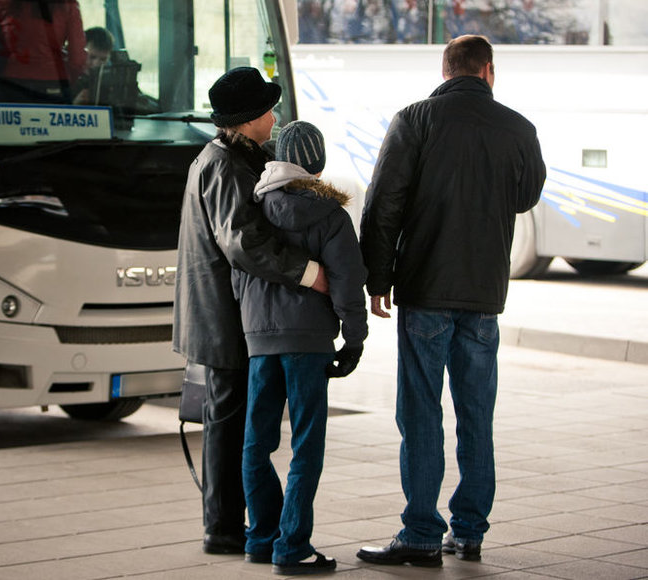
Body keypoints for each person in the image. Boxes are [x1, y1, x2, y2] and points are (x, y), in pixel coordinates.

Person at [355, 35, 545, 566]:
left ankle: (419, 533)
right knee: (475, 413)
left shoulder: (414, 120)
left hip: (426, 289)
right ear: (488, 71)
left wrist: (378, 278)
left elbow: (383, 204)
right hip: (484, 295)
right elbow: (527, 195)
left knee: (420, 412)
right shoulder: (519, 127)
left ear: (445, 72)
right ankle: (469, 532)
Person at [173, 67, 328, 556]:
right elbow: (243, 242)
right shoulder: (222, 165)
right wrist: (308, 273)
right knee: (227, 425)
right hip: (221, 317)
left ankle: (230, 523)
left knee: (234, 422)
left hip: (227, 314)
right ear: (247, 121)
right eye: (266, 111)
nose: (275, 117)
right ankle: (221, 528)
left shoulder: (229, 157)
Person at [233, 120, 367, 575]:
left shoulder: (252, 208)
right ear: (316, 162)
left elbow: (238, 268)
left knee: (257, 441)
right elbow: (349, 280)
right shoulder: (329, 214)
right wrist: (354, 338)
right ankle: (292, 546)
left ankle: (260, 537)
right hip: (308, 340)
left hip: (259, 338)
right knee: (306, 442)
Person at [0, 0, 86, 102]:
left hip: (12, 80)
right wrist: (69, 78)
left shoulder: (2, 3)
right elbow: (77, 57)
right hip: (53, 79)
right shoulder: (68, 4)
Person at [72, 27, 114, 104]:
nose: (96, 64)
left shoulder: (114, 80)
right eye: (92, 57)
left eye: (103, 59)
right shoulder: (67, 80)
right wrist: (74, 106)